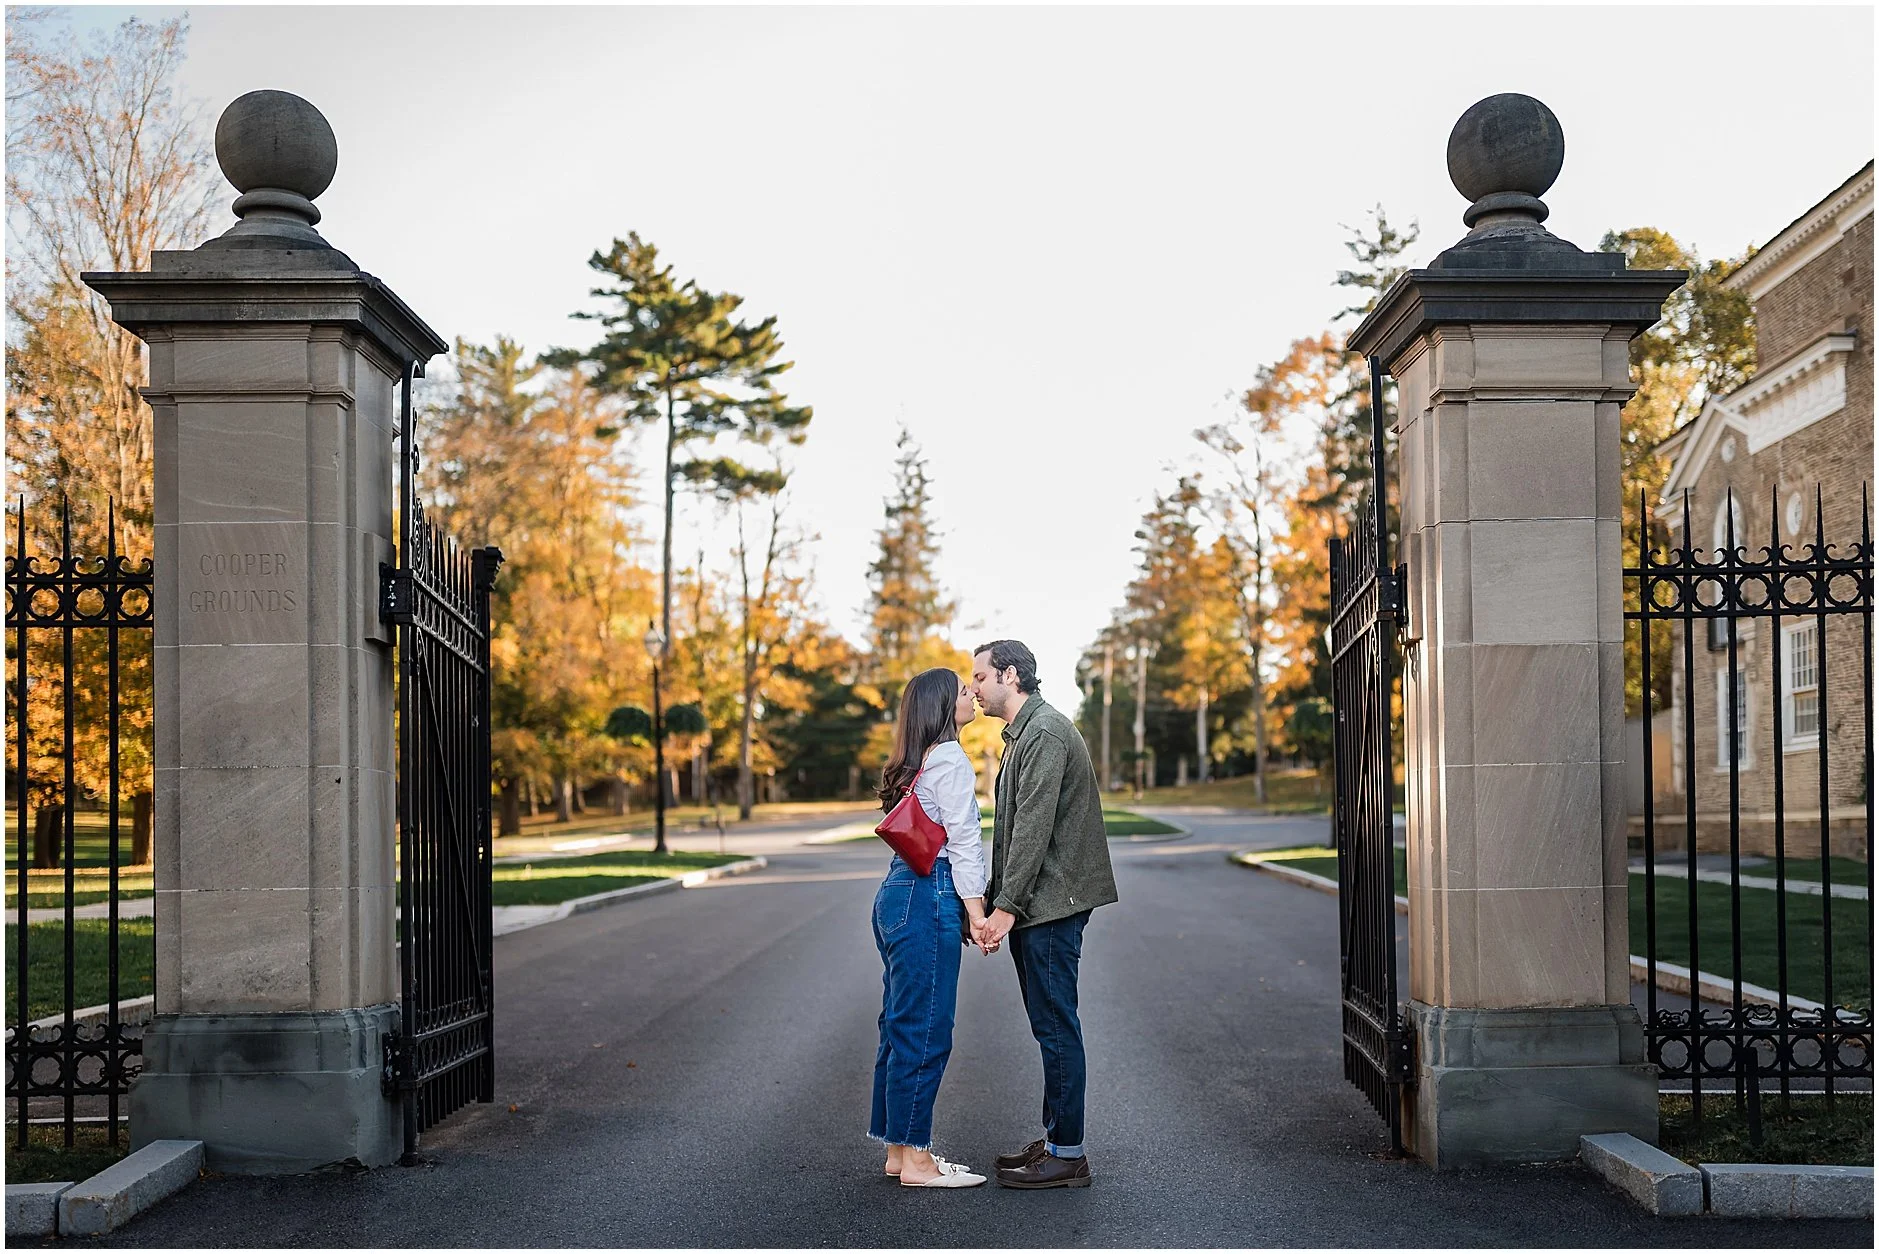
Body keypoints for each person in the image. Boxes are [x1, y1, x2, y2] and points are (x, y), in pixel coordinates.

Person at [970, 638, 1118, 1189]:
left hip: (1052, 905)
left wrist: (1003, 909)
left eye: (981, 677)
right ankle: (1056, 1138)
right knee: (1047, 1025)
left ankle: (1068, 1154)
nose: (975, 688)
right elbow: (1010, 833)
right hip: (1038, 904)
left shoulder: (1046, 732)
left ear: (1011, 675)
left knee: (1056, 1027)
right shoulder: (1023, 734)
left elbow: (1032, 829)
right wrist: (990, 899)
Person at [868, 667, 992, 1188]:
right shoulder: (950, 760)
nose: (971, 695)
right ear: (943, 706)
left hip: (897, 893)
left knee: (899, 1025)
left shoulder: (915, 762)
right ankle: (918, 1162)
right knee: (925, 1030)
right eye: (963, 690)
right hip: (928, 894)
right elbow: (963, 842)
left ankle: (900, 1152)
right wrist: (979, 912)